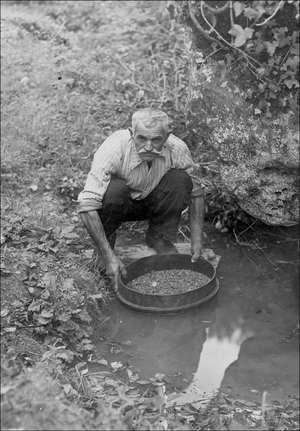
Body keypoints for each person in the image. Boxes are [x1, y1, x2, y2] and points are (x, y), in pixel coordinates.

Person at [77, 108, 215, 291]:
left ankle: (159, 237)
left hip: (153, 201)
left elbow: (196, 193)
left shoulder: (177, 148)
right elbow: (86, 205)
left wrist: (197, 244)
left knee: (181, 180)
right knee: (114, 189)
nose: (148, 146)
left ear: (166, 137)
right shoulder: (113, 148)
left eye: (156, 139)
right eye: (142, 138)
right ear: (132, 133)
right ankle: (106, 249)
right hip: (120, 203)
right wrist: (109, 256)